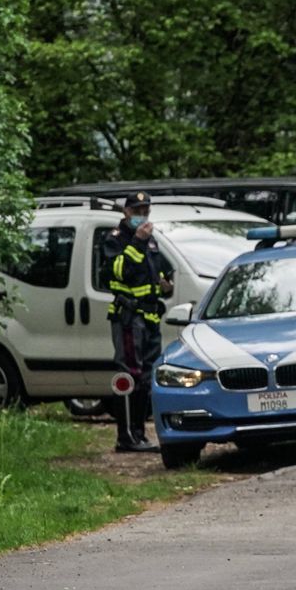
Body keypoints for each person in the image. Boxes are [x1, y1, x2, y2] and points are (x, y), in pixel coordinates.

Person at [104, 192, 173, 453]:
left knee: (146, 378)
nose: (142, 215)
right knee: (130, 375)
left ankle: (140, 435)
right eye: (137, 210)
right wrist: (137, 242)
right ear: (126, 212)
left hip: (150, 318)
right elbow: (119, 271)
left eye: (146, 210)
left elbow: (162, 272)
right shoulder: (116, 239)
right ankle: (126, 437)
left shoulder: (151, 241)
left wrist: (167, 285)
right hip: (128, 318)